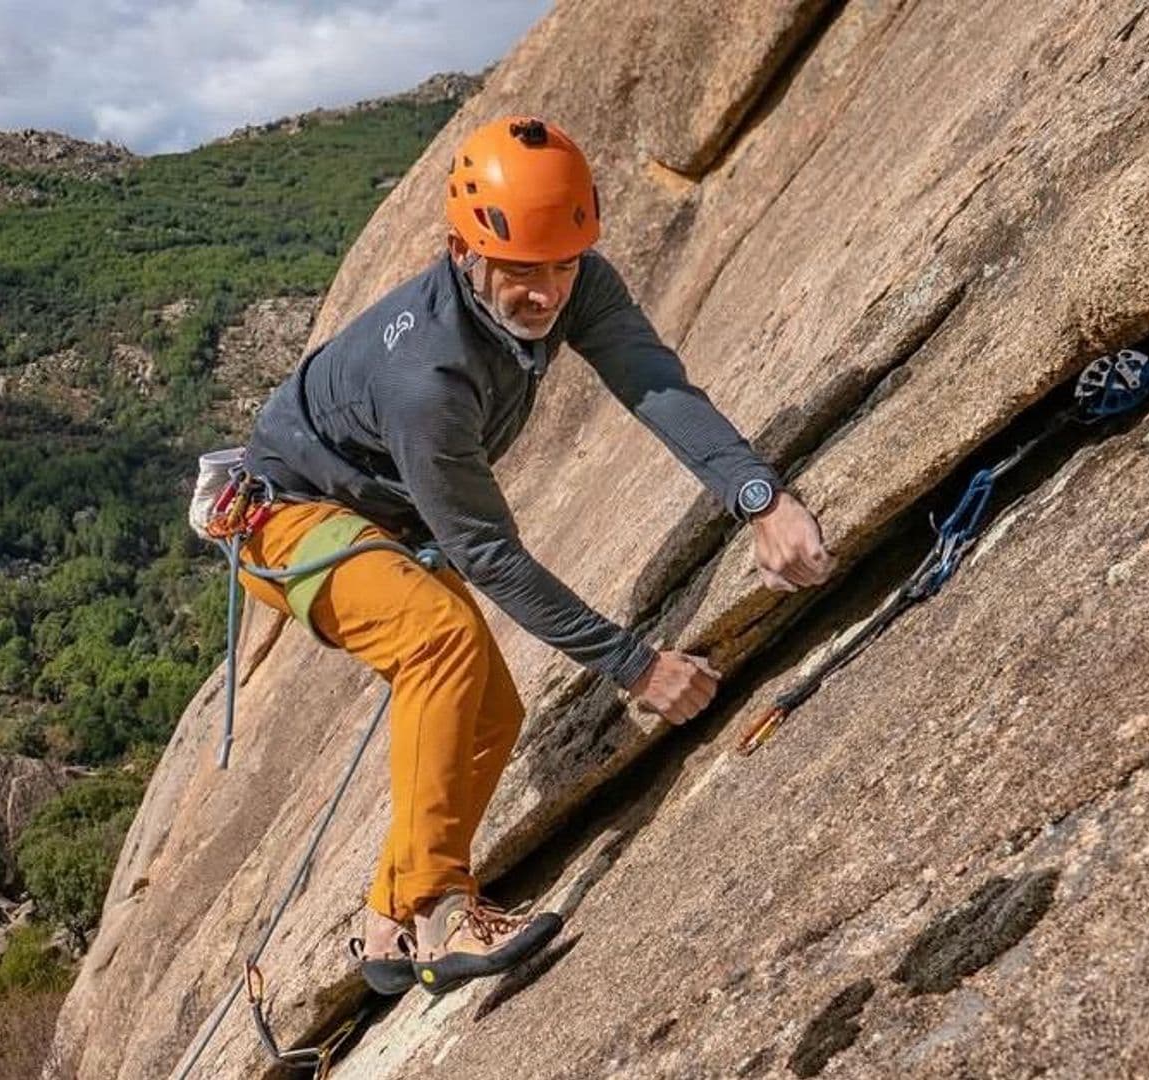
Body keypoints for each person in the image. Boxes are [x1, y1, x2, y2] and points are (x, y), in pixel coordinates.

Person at [232, 115, 833, 995]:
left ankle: (383, 926)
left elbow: (654, 384)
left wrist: (760, 497)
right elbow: (489, 554)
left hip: (383, 513)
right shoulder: (426, 379)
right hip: (289, 517)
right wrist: (635, 667)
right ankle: (438, 910)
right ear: (461, 251)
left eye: (561, 265)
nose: (546, 293)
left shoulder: (574, 276)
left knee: (490, 714)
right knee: (439, 642)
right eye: (520, 271)